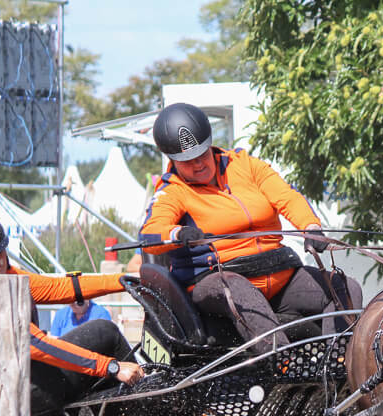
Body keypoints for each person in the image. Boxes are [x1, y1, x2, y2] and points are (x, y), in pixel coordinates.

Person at [139, 102, 362, 354]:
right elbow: (150, 233)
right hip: (217, 280)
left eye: (202, 155)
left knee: (344, 287)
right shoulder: (172, 191)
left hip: (278, 274)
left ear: (210, 144)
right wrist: (177, 233)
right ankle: (284, 364)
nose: (199, 164)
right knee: (239, 290)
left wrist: (310, 227)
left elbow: (287, 197)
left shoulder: (244, 164)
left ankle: (338, 361)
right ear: (173, 160)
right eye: (188, 161)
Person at [0, 211, 144, 416]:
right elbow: (35, 344)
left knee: (101, 334)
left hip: (9, 388)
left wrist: (124, 281)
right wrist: (111, 367)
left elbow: (57, 288)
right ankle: (142, 415)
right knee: (105, 333)